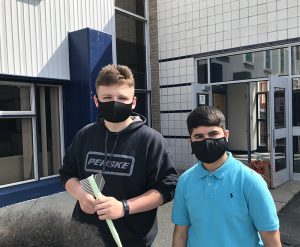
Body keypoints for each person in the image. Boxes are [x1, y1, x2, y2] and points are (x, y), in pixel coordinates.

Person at [59, 64, 178, 247]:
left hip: (132, 240)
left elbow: (166, 189)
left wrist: (125, 207)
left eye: (122, 98)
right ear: (96, 101)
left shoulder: (150, 140)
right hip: (83, 237)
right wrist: (81, 195)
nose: (115, 103)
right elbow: (67, 174)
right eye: (107, 97)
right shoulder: (84, 135)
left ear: (134, 102)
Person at [172, 106, 281, 247]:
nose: (207, 141)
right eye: (199, 136)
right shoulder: (185, 181)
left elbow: (271, 239)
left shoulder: (251, 181)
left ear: (226, 135)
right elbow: (180, 234)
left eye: (213, 134)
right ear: (190, 141)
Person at [0, 211, 105, 246]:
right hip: (83, 223)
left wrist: (122, 207)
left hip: (119, 232)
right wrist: (81, 194)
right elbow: (67, 174)